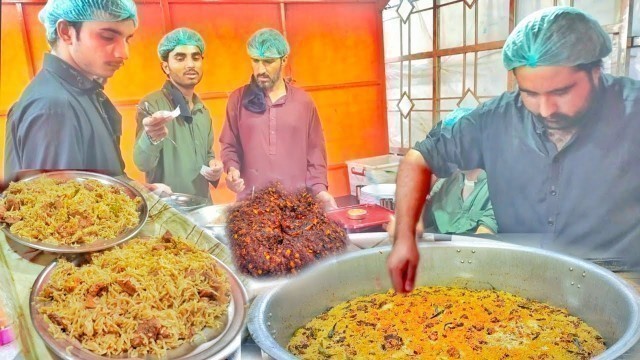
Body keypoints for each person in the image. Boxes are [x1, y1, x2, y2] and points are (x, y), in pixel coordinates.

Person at [388, 6, 640, 293]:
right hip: (522, 274)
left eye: (561, 92)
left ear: (596, 71)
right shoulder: (496, 119)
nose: (546, 110)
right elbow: (421, 159)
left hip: (620, 277)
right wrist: (406, 231)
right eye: (530, 93)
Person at [4, 0, 138, 180]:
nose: (124, 53)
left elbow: (97, 181)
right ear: (66, 32)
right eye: (107, 37)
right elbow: (58, 204)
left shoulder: (82, 91)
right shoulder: (53, 106)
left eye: (127, 39)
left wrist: (137, 192)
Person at [219, 28, 337, 210]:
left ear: (283, 60)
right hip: (251, 205)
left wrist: (320, 189)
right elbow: (229, 145)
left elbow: (315, 152)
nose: (260, 69)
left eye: (268, 62)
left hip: (297, 205)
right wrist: (232, 170)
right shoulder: (238, 99)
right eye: (255, 61)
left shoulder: (303, 102)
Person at [133, 28, 222, 202]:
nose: (190, 64)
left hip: (203, 206)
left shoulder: (202, 110)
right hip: (169, 211)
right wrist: (151, 136)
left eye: (195, 57)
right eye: (180, 58)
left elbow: (207, 154)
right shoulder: (152, 104)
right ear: (166, 66)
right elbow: (142, 163)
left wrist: (214, 167)